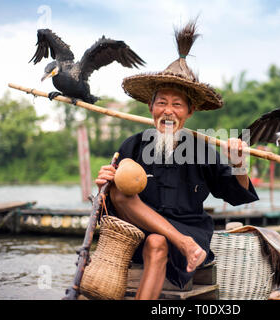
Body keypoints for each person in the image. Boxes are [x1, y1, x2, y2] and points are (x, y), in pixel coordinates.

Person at [95, 20, 259, 300]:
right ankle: (181, 243)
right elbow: (109, 205)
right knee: (120, 194)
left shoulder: (203, 148)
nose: (167, 111)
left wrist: (239, 161)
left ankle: (181, 242)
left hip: (190, 231)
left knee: (158, 242)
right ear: (150, 107)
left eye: (176, 104)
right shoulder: (133, 144)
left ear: (190, 111)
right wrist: (104, 183)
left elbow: (236, 193)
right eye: (161, 103)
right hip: (137, 233)